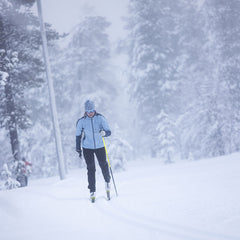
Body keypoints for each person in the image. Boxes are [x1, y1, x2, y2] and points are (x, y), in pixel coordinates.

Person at [76, 100, 111, 202]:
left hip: (100, 146)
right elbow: (78, 135)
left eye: (92, 110)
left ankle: (107, 183)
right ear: (85, 111)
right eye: (88, 111)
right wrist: (78, 148)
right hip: (87, 148)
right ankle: (92, 190)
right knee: (91, 169)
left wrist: (104, 133)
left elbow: (109, 131)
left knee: (103, 165)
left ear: (94, 109)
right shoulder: (81, 121)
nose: (90, 113)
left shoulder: (100, 118)